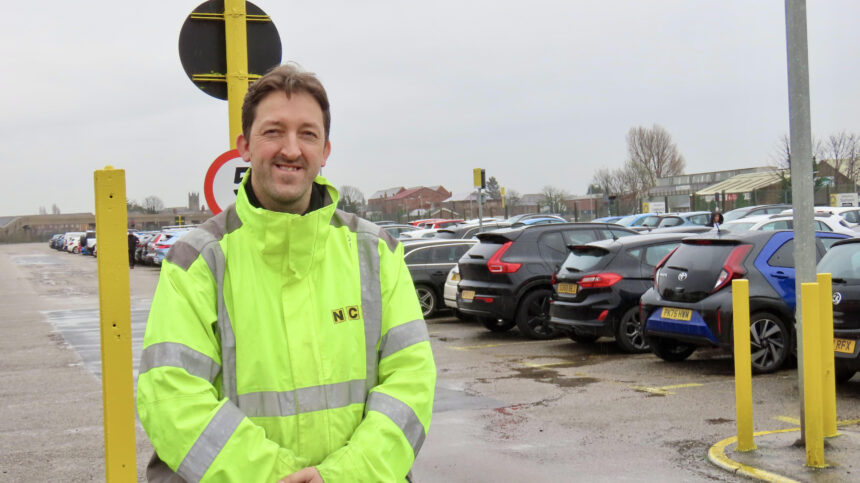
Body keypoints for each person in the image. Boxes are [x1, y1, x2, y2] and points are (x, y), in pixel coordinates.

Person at [137, 64, 436, 482]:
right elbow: (171, 397)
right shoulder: (198, 261)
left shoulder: (375, 252)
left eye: (307, 134)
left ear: (326, 150)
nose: (291, 150)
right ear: (244, 145)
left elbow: (411, 381)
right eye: (273, 131)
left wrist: (342, 475)